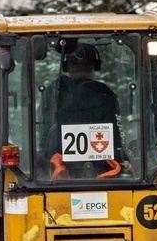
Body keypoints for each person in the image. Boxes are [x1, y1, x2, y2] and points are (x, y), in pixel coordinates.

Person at [39, 42, 124, 179]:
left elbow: (44, 131)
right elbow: (116, 135)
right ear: (95, 66)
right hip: (102, 169)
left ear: (67, 67)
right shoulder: (106, 94)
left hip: (58, 169)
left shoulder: (52, 92)